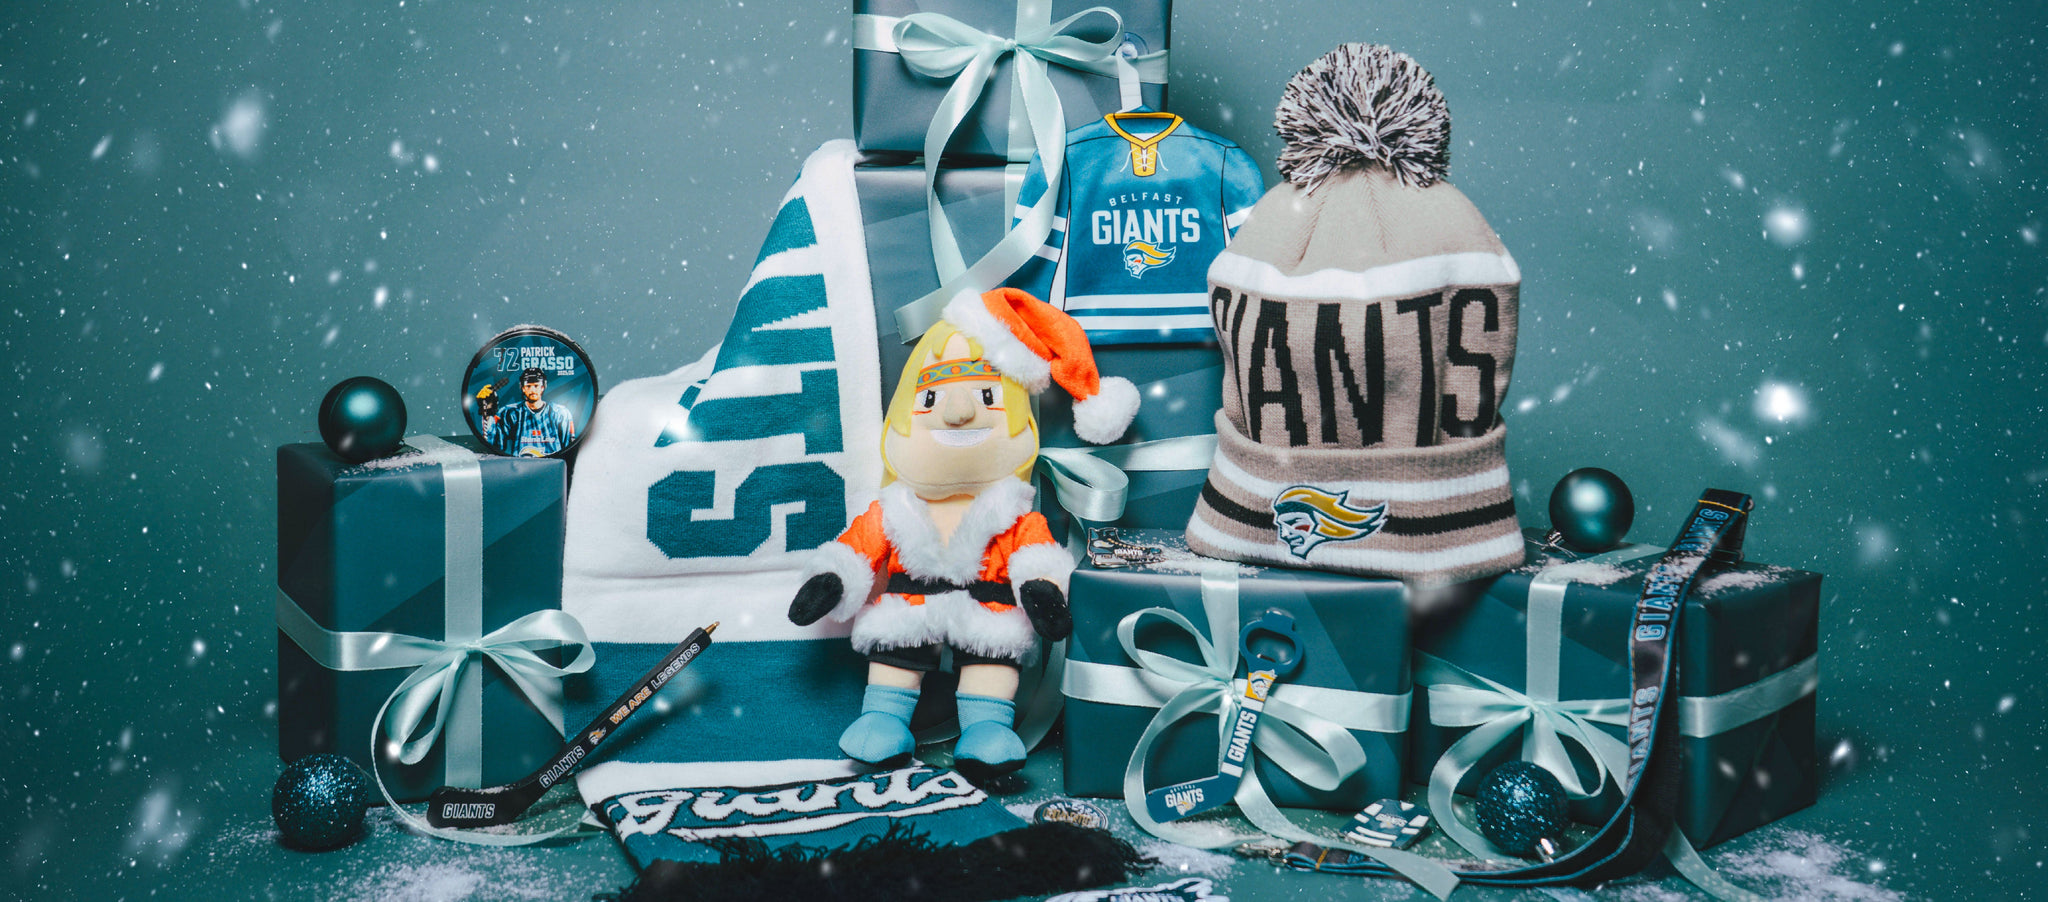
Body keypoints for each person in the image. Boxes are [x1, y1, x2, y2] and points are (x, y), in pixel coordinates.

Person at [787, 288, 1139, 779]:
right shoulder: (895, 506)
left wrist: (1041, 589)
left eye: (986, 396)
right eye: (930, 397)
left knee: (990, 660)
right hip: (911, 605)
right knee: (894, 654)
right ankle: (882, 719)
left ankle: (987, 730)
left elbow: (1035, 553)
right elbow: (859, 548)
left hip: (987, 605)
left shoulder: (1011, 510)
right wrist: (832, 579)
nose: (956, 412)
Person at [483, 367, 577, 456]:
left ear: (542, 387)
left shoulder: (560, 413)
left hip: (554, 467)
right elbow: (494, 446)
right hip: (520, 468)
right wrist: (487, 413)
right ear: (523, 388)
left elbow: (570, 448)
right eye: (528, 386)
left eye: (536, 386)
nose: (532, 390)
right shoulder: (510, 413)